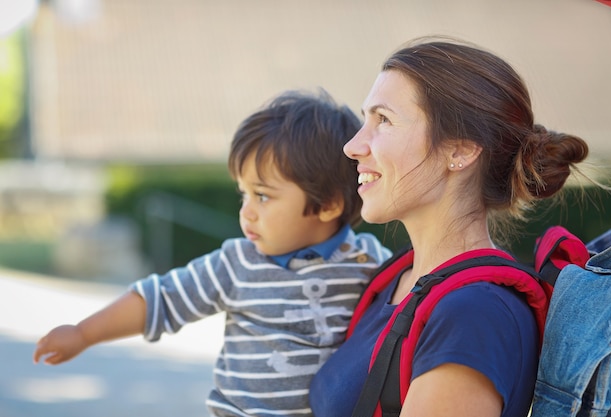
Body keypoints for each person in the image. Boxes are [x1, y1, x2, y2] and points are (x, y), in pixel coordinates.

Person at [33, 89, 392, 417]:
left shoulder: (368, 264)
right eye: (243, 194)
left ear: (328, 204)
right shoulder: (237, 264)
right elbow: (161, 299)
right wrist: (83, 333)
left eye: (263, 196)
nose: (247, 211)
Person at [309, 36, 590, 417]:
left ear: (459, 150)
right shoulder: (396, 280)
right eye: (365, 120)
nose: (354, 146)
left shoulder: (475, 314)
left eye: (384, 120)